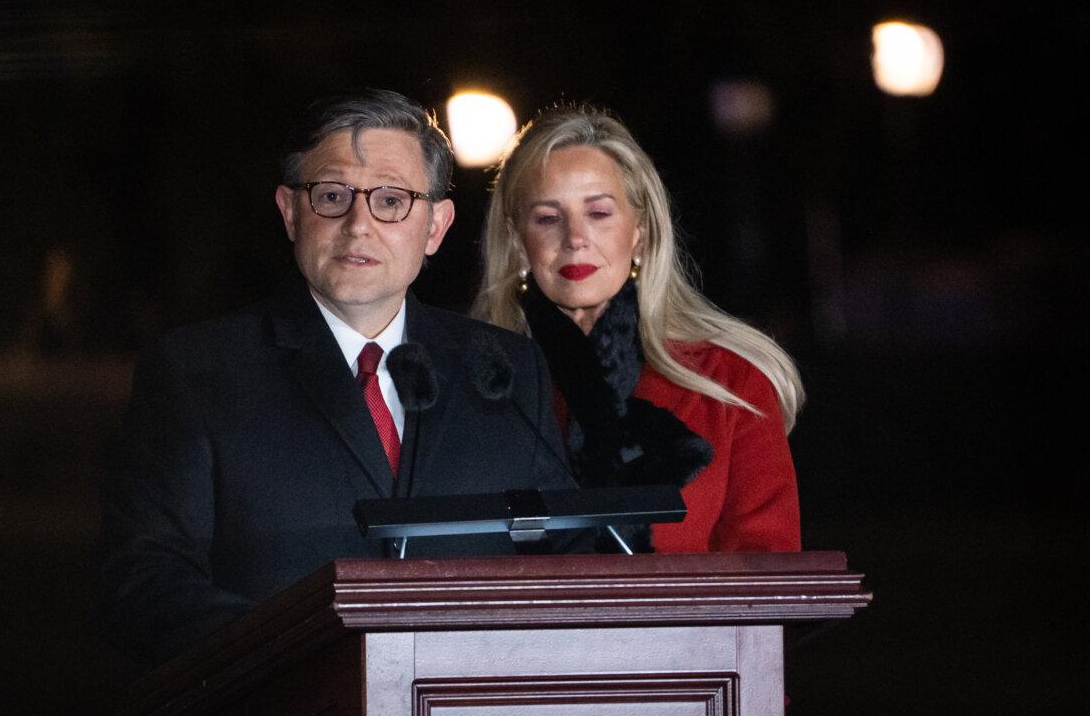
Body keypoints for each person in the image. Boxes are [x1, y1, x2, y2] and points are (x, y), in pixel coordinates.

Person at [98, 90, 580, 668]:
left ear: (436, 226)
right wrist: (311, 660)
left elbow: (569, 555)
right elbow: (146, 580)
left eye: (391, 200)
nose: (359, 225)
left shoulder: (505, 370)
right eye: (332, 197)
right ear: (289, 212)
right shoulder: (197, 372)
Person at [474, 104, 803, 553]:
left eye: (599, 213)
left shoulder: (731, 383)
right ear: (517, 241)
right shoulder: (473, 385)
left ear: (640, 232)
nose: (574, 238)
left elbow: (766, 593)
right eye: (548, 218)